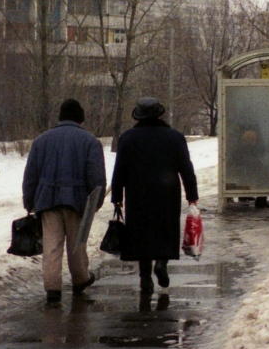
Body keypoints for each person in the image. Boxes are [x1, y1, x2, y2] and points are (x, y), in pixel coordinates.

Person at [111, 97, 198, 296]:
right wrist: (192, 194)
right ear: (160, 115)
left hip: (137, 194)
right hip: (167, 193)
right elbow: (186, 168)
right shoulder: (174, 137)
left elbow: (120, 170)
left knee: (141, 233)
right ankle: (161, 263)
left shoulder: (128, 138)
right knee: (165, 229)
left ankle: (145, 278)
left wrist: (117, 197)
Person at [22, 98, 105, 305]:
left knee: (51, 245)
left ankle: (52, 288)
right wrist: (96, 201)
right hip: (77, 201)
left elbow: (31, 174)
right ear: (80, 119)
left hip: (47, 200)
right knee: (77, 244)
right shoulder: (90, 141)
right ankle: (80, 279)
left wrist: (29, 201)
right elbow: (96, 176)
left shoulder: (41, 140)